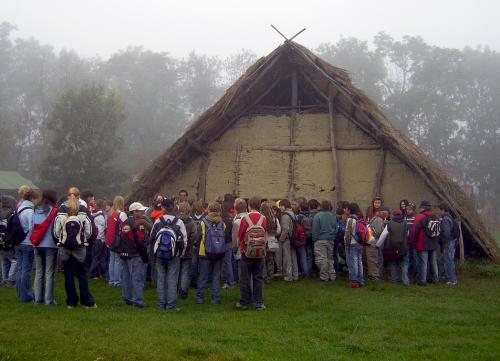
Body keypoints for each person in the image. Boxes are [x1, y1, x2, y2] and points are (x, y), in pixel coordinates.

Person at [54, 187, 96, 308]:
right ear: (79, 196)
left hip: (65, 246)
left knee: (68, 274)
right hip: (79, 246)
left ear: (68, 196)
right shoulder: (83, 209)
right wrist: (84, 239)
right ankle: (87, 301)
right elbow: (89, 229)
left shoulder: (62, 208)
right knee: (82, 274)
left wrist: (60, 239)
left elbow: (56, 229)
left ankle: (71, 302)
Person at [150, 198, 187, 310]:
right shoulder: (179, 222)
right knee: (172, 279)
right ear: (173, 206)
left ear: (163, 208)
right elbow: (184, 241)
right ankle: (171, 305)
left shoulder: (158, 221)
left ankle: (161, 304)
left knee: (161, 278)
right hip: (174, 254)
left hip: (160, 254)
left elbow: (152, 237)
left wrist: (154, 252)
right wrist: (181, 254)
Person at [117, 202, 151, 308]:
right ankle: (138, 300)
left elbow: (119, 237)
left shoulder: (125, 222)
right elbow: (141, 241)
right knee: (137, 278)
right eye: (140, 211)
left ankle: (126, 297)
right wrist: (145, 256)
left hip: (124, 254)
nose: (142, 212)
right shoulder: (138, 223)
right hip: (135, 255)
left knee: (126, 277)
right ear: (134, 211)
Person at [236, 197, 267, 310]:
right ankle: (258, 302)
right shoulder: (263, 218)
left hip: (247, 250)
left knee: (245, 277)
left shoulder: (245, 218)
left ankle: (244, 302)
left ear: (249, 206)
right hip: (260, 251)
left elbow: (241, 234)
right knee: (258, 277)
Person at [196, 202, 225, 304]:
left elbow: (198, 237)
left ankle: (200, 297)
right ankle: (215, 298)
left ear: (208, 209)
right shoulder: (222, 223)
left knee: (203, 276)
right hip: (218, 252)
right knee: (216, 276)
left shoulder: (203, 222)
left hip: (205, 252)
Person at [33, 190, 58, 305]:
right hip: (50, 245)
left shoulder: (35, 209)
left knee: (39, 272)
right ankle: (49, 300)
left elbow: (31, 226)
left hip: (37, 244)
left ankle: (38, 299)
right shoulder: (54, 211)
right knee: (49, 273)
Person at [377, 209, 409, 286]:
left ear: (393, 215)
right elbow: (408, 234)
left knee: (393, 264)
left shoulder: (390, 222)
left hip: (392, 247)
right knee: (404, 265)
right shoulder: (405, 222)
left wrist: (378, 245)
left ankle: (394, 281)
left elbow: (384, 235)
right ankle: (405, 282)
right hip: (403, 247)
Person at [410, 200, 439, 286]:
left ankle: (422, 281)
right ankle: (436, 279)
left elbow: (414, 231)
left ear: (422, 208)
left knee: (423, 262)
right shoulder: (435, 216)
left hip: (422, 243)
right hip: (433, 243)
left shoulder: (420, 217)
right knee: (433, 262)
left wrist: (412, 242)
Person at [15, 185, 36, 302]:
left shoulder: (19, 208)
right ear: (32, 197)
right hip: (27, 242)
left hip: (18, 241)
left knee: (19, 268)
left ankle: (19, 293)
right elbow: (32, 227)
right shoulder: (29, 211)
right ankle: (26, 295)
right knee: (26, 270)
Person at [177, 201, 199, 299]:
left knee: (176, 270)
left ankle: (175, 288)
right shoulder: (192, 222)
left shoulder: (176, 221)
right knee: (185, 271)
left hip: (177, 249)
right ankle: (184, 290)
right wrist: (189, 245)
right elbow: (194, 235)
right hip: (188, 249)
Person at [312, 200, 337, 282]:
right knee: (330, 258)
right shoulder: (333, 216)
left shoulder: (317, 216)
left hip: (320, 239)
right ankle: (332, 275)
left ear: (321, 206)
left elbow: (315, 230)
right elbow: (336, 228)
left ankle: (324, 276)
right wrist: (333, 236)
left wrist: (314, 239)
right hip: (330, 239)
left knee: (322, 259)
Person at [105, 196, 128, 287]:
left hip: (110, 240)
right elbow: (126, 227)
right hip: (118, 241)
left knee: (112, 260)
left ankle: (111, 280)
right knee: (118, 261)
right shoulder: (121, 214)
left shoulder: (110, 214)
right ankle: (117, 281)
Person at [437, 203, 458, 285]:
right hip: (451, 241)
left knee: (448, 260)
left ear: (443, 210)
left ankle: (451, 279)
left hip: (448, 242)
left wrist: (441, 240)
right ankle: (448, 277)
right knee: (448, 260)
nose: (438, 212)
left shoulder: (445, 219)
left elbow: (446, 233)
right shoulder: (449, 217)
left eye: (439, 210)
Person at [344, 203, 364, 288]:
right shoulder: (360, 218)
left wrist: (346, 244)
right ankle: (361, 280)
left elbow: (348, 233)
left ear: (350, 210)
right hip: (359, 242)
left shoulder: (350, 219)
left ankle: (354, 281)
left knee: (353, 263)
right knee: (359, 262)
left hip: (352, 243)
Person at [260, 201, 281, 282]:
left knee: (263, 260)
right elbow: (279, 230)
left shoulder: (261, 218)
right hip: (272, 240)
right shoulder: (274, 218)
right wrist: (274, 235)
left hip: (263, 240)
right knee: (271, 259)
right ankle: (270, 275)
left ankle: (264, 276)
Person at [279, 199, 298, 282]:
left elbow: (285, 229)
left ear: (284, 206)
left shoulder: (285, 215)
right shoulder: (293, 214)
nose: (280, 208)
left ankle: (289, 276)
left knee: (288, 258)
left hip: (287, 239)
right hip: (293, 238)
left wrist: (281, 239)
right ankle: (295, 275)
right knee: (293, 257)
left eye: (281, 206)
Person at [0, 195, 17, 287]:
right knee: (14, 260)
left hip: (1, 240)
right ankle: (10, 280)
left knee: (4, 261)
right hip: (9, 240)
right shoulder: (12, 213)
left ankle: (4, 279)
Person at [89, 199, 107, 280]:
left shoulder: (94, 215)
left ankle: (100, 274)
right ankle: (93, 274)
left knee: (99, 257)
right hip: (99, 240)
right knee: (98, 258)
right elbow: (101, 230)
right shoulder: (100, 217)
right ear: (102, 206)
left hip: (96, 239)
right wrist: (102, 240)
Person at [231, 198, 248, 283]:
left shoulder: (237, 220)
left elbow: (235, 237)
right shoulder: (249, 216)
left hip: (240, 248)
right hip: (250, 246)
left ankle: (242, 283)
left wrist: (234, 248)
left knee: (241, 269)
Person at [221, 202, 235, 289]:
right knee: (227, 263)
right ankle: (228, 280)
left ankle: (230, 281)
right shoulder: (229, 220)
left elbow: (225, 234)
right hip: (229, 242)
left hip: (226, 243)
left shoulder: (225, 221)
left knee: (227, 263)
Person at [295, 199, 311, 278]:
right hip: (309, 237)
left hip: (301, 238)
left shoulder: (299, 217)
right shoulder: (310, 215)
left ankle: (304, 272)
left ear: (300, 208)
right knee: (309, 256)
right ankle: (309, 271)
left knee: (302, 256)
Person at [406, 202, 418, 275]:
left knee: (415, 257)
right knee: (409, 257)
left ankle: (416, 273)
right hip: (407, 241)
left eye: (410, 210)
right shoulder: (406, 218)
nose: (408, 211)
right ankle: (410, 272)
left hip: (414, 241)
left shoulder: (416, 217)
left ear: (413, 210)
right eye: (407, 210)